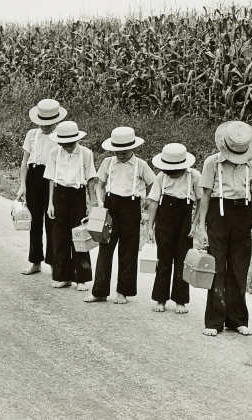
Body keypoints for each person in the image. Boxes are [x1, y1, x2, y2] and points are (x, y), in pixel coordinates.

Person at [196, 121, 252, 336]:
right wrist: (201, 226)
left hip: (242, 213)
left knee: (239, 268)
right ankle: (214, 321)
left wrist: (250, 215)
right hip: (218, 212)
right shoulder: (211, 163)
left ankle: (237, 320)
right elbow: (205, 196)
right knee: (217, 266)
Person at [84, 127, 155, 304]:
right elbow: (100, 185)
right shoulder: (108, 162)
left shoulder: (141, 165)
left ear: (133, 148)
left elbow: (155, 184)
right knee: (105, 248)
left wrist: (145, 204)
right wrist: (100, 203)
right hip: (110, 206)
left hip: (131, 208)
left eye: (124, 151)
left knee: (128, 251)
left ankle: (123, 291)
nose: (121, 154)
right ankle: (99, 291)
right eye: (118, 151)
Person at [147, 143, 201, 314]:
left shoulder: (194, 176)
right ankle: (160, 299)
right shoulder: (161, 178)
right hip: (164, 221)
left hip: (184, 221)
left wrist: (195, 224)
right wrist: (150, 226)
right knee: (163, 260)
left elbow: (201, 201)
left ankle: (180, 300)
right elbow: (154, 202)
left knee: (182, 261)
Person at [44, 121, 97, 289]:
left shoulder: (86, 153)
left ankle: (81, 278)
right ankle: (63, 276)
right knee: (59, 237)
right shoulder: (54, 153)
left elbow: (90, 180)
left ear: (76, 140)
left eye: (70, 143)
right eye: (63, 143)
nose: (66, 146)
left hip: (77, 195)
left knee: (80, 236)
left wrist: (92, 204)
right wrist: (50, 203)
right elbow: (51, 179)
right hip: (59, 194)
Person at [17, 99, 67, 275]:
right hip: (34, 177)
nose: (44, 127)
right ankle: (35, 261)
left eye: (48, 124)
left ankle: (54, 263)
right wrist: (23, 185)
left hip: (52, 178)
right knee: (34, 221)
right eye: (41, 123)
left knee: (52, 221)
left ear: (56, 121)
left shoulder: (61, 137)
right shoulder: (32, 134)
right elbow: (24, 161)